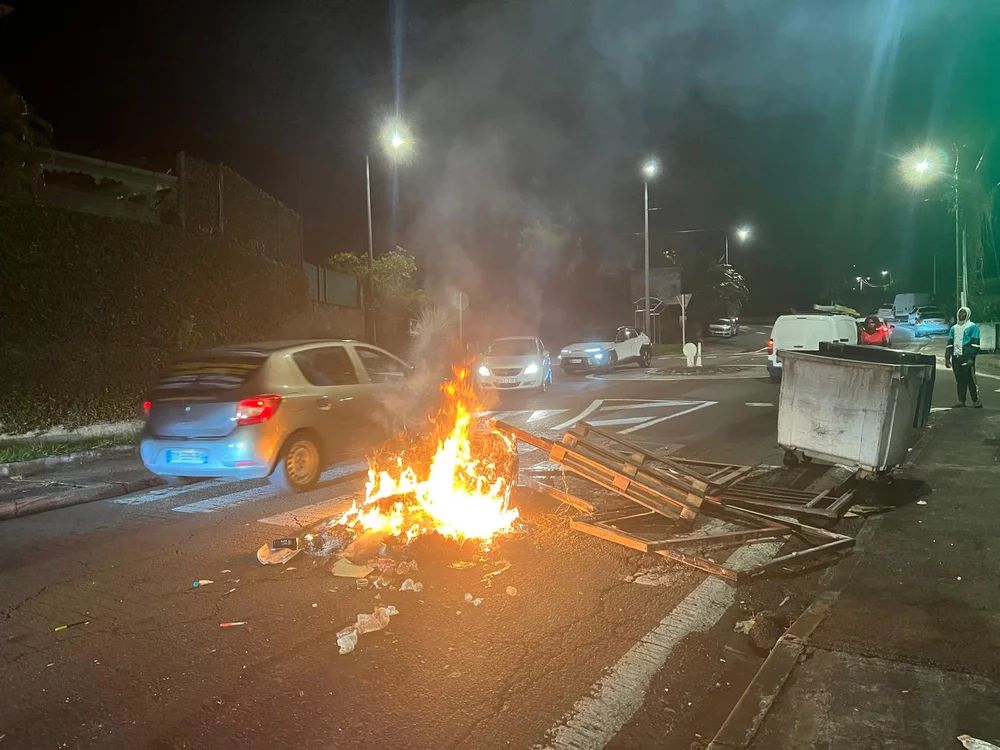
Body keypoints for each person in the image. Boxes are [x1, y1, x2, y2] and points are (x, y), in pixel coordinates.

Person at [945, 306, 982, 408]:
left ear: (968, 314)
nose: (961, 315)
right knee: (959, 379)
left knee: (970, 379)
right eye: (960, 313)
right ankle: (961, 400)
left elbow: (975, 345)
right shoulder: (954, 328)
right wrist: (947, 358)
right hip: (956, 357)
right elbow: (950, 343)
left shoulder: (972, 327)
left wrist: (971, 358)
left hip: (967, 357)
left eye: (964, 313)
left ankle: (975, 400)